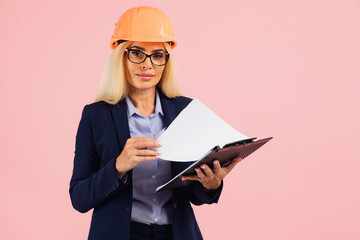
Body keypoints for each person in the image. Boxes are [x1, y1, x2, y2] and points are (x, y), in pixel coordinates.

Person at [69, 6, 242, 240]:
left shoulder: (185, 111)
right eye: (137, 53)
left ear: (166, 61)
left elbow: (194, 194)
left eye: (157, 55)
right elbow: (79, 197)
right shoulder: (96, 116)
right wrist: (118, 166)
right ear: (121, 56)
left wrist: (210, 185)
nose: (147, 65)